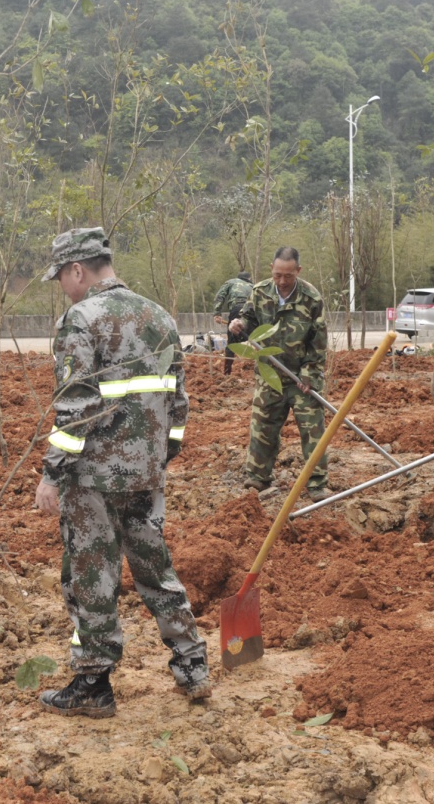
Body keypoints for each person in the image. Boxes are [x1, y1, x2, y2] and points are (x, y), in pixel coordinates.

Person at [33, 227, 209, 718]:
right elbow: (178, 403)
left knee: (92, 574)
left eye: (62, 278)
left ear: (77, 270)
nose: (63, 289)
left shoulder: (80, 319)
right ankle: (192, 662)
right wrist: (157, 461)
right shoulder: (160, 316)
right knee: (155, 565)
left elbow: (77, 405)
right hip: (146, 473)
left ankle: (93, 683)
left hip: (93, 478)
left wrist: (52, 474)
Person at [228, 247, 330, 497]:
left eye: (288, 276)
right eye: (277, 275)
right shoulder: (260, 291)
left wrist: (310, 374)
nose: (282, 282)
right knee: (263, 426)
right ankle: (258, 478)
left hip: (301, 376)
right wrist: (239, 324)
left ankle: (316, 483)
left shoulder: (311, 298)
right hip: (269, 373)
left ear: (298, 271)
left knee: (312, 429)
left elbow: (318, 342)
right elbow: (248, 320)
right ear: (271, 270)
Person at [213, 270, 253, 375]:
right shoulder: (253, 286)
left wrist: (217, 313)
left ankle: (227, 373)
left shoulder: (231, 282)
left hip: (237, 309)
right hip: (252, 310)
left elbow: (219, 296)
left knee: (231, 343)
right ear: (249, 278)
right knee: (254, 340)